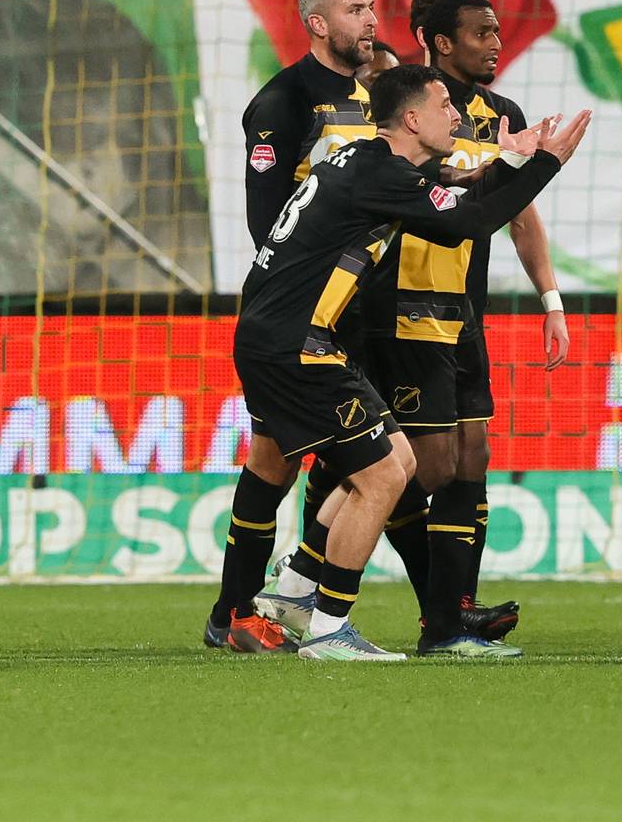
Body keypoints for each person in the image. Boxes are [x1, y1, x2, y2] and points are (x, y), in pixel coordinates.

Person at [229, 64, 590, 660]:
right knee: (382, 476)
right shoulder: (377, 173)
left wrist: (515, 160)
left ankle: (297, 591)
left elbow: (454, 182)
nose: (457, 115)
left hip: (293, 338)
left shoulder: (367, 163)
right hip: (292, 346)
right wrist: (548, 164)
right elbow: (468, 221)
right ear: (413, 118)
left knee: (399, 461)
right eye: (445, 103)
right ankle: (326, 627)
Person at [203, 0, 378, 651]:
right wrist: (310, 299)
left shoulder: (372, 99)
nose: (369, 19)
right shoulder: (283, 101)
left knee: (328, 462)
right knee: (277, 462)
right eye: (355, 9)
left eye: (371, 7)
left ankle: (274, 607)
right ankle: (238, 610)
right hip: (298, 314)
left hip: (356, 309)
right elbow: (266, 222)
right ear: (317, 23)